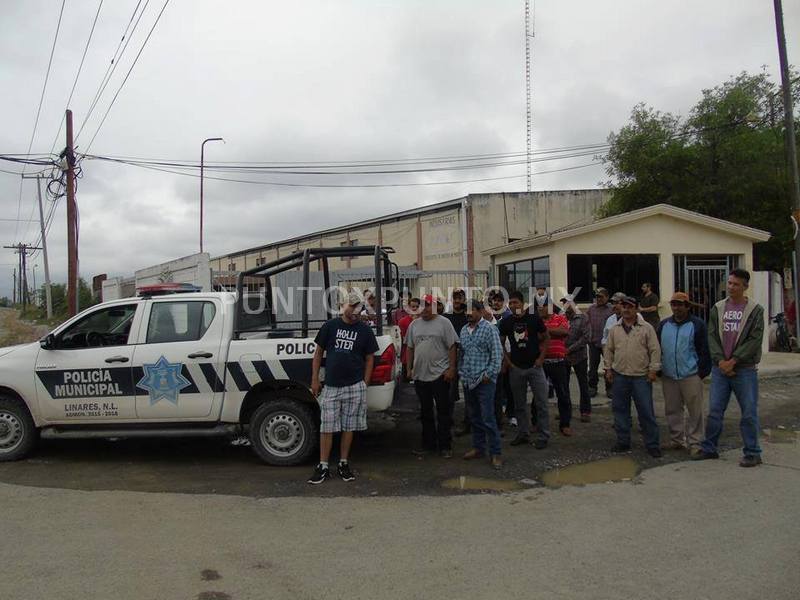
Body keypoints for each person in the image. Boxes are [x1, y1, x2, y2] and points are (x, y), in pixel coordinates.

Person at [694, 269, 766, 467]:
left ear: (745, 286)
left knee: (749, 412)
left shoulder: (755, 310)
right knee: (715, 411)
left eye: (736, 284)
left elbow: (754, 340)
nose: (731, 287)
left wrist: (733, 361)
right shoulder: (718, 308)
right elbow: (712, 337)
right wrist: (720, 362)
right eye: (730, 283)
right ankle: (709, 448)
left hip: (744, 369)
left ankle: (752, 452)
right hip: (720, 369)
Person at [308, 292, 379, 484]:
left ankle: (343, 462)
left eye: (359, 307)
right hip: (331, 386)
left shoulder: (364, 330)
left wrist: (365, 382)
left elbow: (370, 357)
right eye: (352, 306)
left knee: (349, 427)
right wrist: (315, 379)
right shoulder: (330, 326)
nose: (356, 311)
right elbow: (318, 353)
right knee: (327, 427)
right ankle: (323, 465)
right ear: (343, 305)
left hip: (355, 386)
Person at [604, 296, 662, 458]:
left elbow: (655, 350)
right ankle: (623, 442)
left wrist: (653, 370)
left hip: (641, 376)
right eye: (624, 306)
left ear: (636, 309)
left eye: (630, 306)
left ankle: (652, 444)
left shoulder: (646, 328)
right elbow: (608, 349)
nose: (626, 309)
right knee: (620, 410)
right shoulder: (615, 328)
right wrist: (608, 368)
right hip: (620, 376)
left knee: (646, 411)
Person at [656, 292, 711, 456]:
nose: (676, 308)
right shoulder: (664, 324)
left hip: (691, 375)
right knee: (672, 409)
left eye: (680, 304)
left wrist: (700, 373)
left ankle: (695, 442)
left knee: (695, 411)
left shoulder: (698, 325)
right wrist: (659, 369)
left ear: (687, 306)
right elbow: (657, 348)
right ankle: (677, 440)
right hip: (669, 375)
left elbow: (704, 351)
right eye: (674, 304)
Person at [406, 294, 459, 458]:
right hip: (421, 376)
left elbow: (452, 347)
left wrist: (451, 369)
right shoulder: (414, 325)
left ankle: (445, 446)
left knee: (443, 412)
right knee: (425, 412)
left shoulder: (444, 323)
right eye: (422, 305)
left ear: (435, 306)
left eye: (428, 305)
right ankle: (429, 444)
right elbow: (409, 348)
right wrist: (409, 369)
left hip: (440, 375)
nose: (425, 309)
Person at [498, 290, 550, 449]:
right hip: (516, 369)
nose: (513, 306)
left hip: (535, 368)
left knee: (541, 403)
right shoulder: (506, 322)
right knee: (519, 404)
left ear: (522, 304)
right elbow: (501, 342)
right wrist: (508, 361)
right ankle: (523, 433)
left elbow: (546, 337)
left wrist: (541, 358)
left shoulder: (534, 319)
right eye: (511, 303)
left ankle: (543, 435)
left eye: (516, 303)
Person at [459, 299, 504, 469]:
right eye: (466, 311)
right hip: (469, 380)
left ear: (480, 311)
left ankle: (496, 453)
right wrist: (461, 372)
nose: (468, 314)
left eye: (471, 310)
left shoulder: (489, 329)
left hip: (485, 382)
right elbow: (462, 354)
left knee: (488, 418)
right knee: (474, 417)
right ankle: (478, 448)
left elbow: (497, 355)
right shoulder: (463, 330)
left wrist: (489, 374)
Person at [537, 302, 572, 436]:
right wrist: (552, 331)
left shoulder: (560, 318)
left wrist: (545, 330)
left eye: (543, 306)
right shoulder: (537, 320)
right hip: (541, 362)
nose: (540, 308)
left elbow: (564, 331)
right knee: (539, 395)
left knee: (563, 393)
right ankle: (537, 422)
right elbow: (536, 336)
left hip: (558, 361)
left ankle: (565, 424)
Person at [562, 298, 592, 422]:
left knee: (583, 384)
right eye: (564, 303)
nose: (566, 306)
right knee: (563, 385)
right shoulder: (562, 318)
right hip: (564, 356)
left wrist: (570, 349)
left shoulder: (583, 317)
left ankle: (585, 411)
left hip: (579, 356)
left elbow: (586, 337)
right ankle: (565, 410)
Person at [445, 289, 470, 436]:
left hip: (467, 358)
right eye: (455, 298)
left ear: (464, 299)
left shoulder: (469, 316)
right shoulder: (447, 318)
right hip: (451, 357)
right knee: (450, 390)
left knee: (469, 390)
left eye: (460, 298)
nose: (457, 301)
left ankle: (469, 422)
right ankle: (448, 421)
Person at [586, 288, 613, 398]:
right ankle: (592, 387)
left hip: (607, 343)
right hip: (593, 342)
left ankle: (610, 388)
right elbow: (586, 323)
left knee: (608, 366)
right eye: (597, 296)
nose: (599, 299)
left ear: (607, 297)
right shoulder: (591, 309)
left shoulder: (611, 309)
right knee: (593, 367)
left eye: (601, 296)